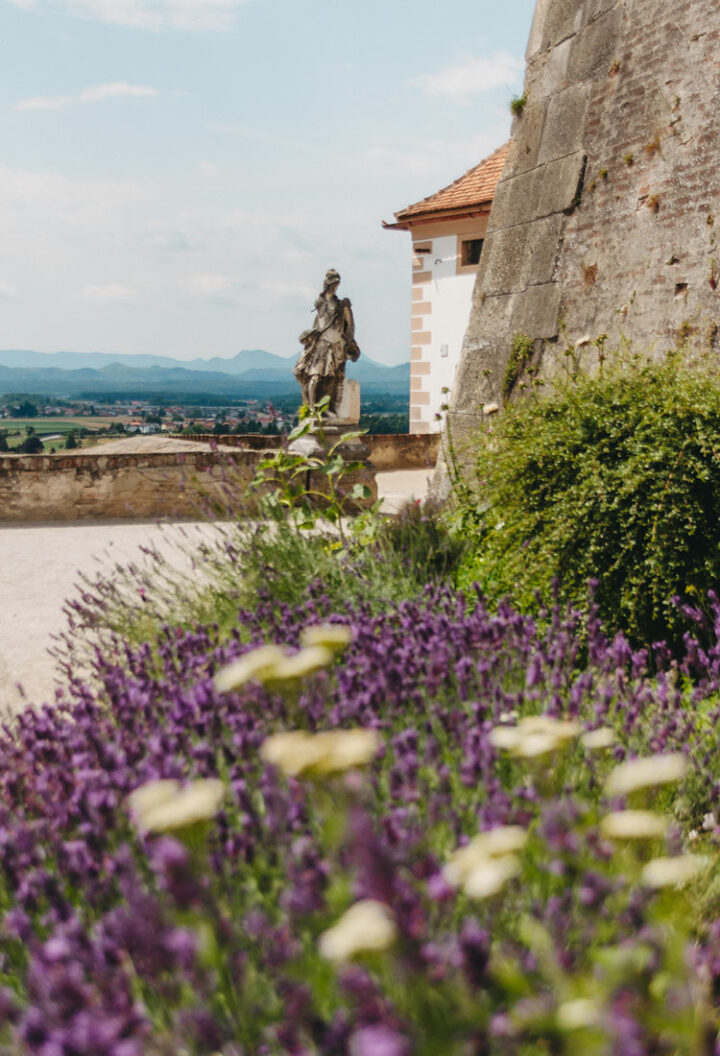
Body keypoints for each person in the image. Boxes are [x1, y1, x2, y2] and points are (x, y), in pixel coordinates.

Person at [294, 268, 360, 414]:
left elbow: (349, 326)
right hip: (322, 345)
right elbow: (320, 322)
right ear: (328, 284)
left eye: (337, 284)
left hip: (336, 345)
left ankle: (327, 407)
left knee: (331, 378)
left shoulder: (341, 304)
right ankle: (312, 407)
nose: (336, 286)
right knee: (315, 376)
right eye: (334, 284)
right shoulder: (320, 302)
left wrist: (349, 342)